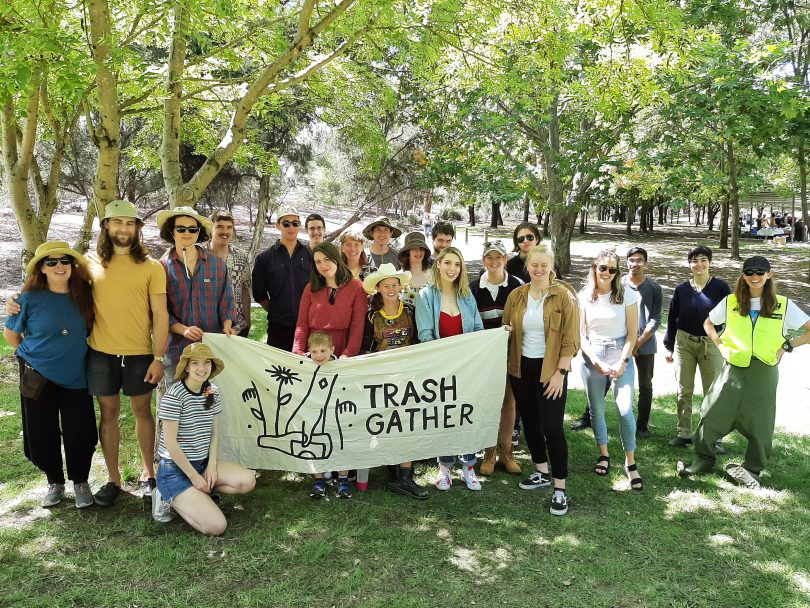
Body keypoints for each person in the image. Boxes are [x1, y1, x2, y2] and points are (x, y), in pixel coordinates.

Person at [678, 256, 810, 488]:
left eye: (760, 272)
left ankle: (752, 469)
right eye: (749, 272)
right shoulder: (731, 302)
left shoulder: (783, 304)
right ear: (743, 276)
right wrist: (719, 344)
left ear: (769, 274)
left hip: (764, 370)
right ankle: (702, 460)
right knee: (712, 410)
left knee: (761, 420)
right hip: (733, 368)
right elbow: (708, 323)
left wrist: (787, 346)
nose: (755, 277)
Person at [4, 242, 97, 508]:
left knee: (81, 432)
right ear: (42, 268)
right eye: (51, 262)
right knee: (41, 432)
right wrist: (31, 355)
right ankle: (54, 482)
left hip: (76, 376)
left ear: (72, 265)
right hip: (38, 375)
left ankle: (81, 482)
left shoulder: (85, 293)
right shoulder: (28, 297)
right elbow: (10, 335)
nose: (59, 266)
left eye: (64, 261)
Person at [503, 244, 579, 515]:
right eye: (534, 265)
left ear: (551, 267)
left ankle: (560, 489)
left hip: (551, 371)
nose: (538, 270)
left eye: (543, 265)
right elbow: (507, 329)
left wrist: (560, 373)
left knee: (553, 428)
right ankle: (541, 471)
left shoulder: (564, 297)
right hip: (521, 368)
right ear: (527, 266)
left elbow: (571, 340)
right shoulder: (517, 296)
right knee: (531, 422)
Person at [152, 343, 255, 534]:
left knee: (247, 481)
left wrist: (211, 465)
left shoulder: (212, 391)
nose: (202, 368)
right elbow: (171, 445)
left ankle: (198, 496)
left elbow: (214, 432)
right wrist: (194, 478)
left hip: (202, 462)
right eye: (195, 363)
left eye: (206, 362)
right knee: (216, 527)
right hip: (176, 470)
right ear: (187, 367)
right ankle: (165, 494)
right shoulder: (174, 396)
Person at [293, 242, 368, 499]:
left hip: (343, 358)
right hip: (314, 357)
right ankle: (318, 470)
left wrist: (347, 357)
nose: (323, 266)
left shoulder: (356, 288)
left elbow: (358, 328)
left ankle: (343, 472)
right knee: (315, 417)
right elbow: (302, 326)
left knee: (341, 418)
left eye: (327, 259)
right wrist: (298, 357)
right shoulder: (310, 289)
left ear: (336, 258)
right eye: (317, 262)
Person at [415, 246, 485, 491]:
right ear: (438, 265)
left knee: (466, 414)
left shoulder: (466, 295)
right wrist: (447, 358)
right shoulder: (425, 295)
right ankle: (444, 468)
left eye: (457, 264)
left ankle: (468, 468)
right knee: (444, 416)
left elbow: (477, 328)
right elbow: (424, 333)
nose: (452, 269)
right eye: (448, 263)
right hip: (440, 368)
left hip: (466, 367)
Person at [361, 264, 429, 500]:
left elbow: (420, 339)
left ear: (401, 286)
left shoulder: (410, 309)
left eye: (394, 285)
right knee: (386, 421)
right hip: (382, 376)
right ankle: (393, 464)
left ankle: (405, 476)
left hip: (408, 375)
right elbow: (366, 347)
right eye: (386, 285)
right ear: (378, 288)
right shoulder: (371, 316)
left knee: (407, 421)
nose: (391, 289)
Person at [578, 250, 643, 490]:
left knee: (625, 408)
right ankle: (604, 454)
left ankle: (630, 462)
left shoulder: (628, 294)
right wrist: (595, 360)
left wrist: (622, 361)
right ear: (595, 267)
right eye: (602, 268)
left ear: (617, 272)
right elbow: (580, 335)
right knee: (597, 409)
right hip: (592, 353)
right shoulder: (583, 296)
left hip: (620, 351)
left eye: (612, 269)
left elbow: (633, 333)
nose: (606, 273)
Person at [158, 206, 236, 386]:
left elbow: (227, 300)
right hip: (178, 352)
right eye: (181, 228)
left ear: (199, 232)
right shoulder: (161, 268)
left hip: (212, 352)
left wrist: (227, 323)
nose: (187, 233)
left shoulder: (216, 265)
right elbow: (158, 311)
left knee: (210, 406)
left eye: (192, 229)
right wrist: (182, 329)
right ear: (172, 231)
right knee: (178, 408)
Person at [663, 246, 731, 448]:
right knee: (684, 390)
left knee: (713, 391)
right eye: (694, 261)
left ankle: (713, 437)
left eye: (703, 260)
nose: (698, 264)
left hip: (710, 344)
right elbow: (672, 318)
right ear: (689, 264)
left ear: (710, 262)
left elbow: (732, 317)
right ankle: (684, 433)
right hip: (684, 344)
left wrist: (724, 343)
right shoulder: (682, 289)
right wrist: (668, 345)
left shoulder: (720, 288)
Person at [469, 240, 523, 477]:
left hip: (511, 352)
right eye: (489, 258)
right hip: (485, 356)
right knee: (489, 402)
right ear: (484, 261)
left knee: (509, 402)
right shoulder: (473, 288)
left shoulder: (517, 285)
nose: (494, 262)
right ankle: (489, 452)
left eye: (498, 257)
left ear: (506, 260)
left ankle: (507, 452)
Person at [252, 206, 312, 351]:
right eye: (286, 223)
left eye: (295, 223)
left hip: (307, 325)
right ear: (278, 225)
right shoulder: (264, 259)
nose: (291, 227)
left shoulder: (310, 255)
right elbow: (259, 294)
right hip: (278, 326)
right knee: (279, 370)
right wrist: (277, 311)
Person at [621, 247, 663, 438]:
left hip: (645, 344)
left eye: (639, 260)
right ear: (626, 261)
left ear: (645, 263)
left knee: (645, 385)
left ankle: (642, 425)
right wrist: (629, 343)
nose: (635, 263)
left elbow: (656, 319)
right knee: (606, 378)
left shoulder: (654, 288)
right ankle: (589, 416)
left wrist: (637, 343)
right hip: (620, 341)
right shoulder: (618, 284)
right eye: (631, 259)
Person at [208, 209, 252, 338]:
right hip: (208, 327)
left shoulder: (241, 256)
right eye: (219, 227)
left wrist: (248, 321)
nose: (225, 232)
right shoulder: (200, 255)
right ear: (211, 229)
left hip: (236, 327)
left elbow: (244, 288)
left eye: (229, 227)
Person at [397, 232, 432, 307]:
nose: (419, 252)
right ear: (407, 252)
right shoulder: (398, 277)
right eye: (414, 249)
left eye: (421, 249)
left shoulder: (433, 276)